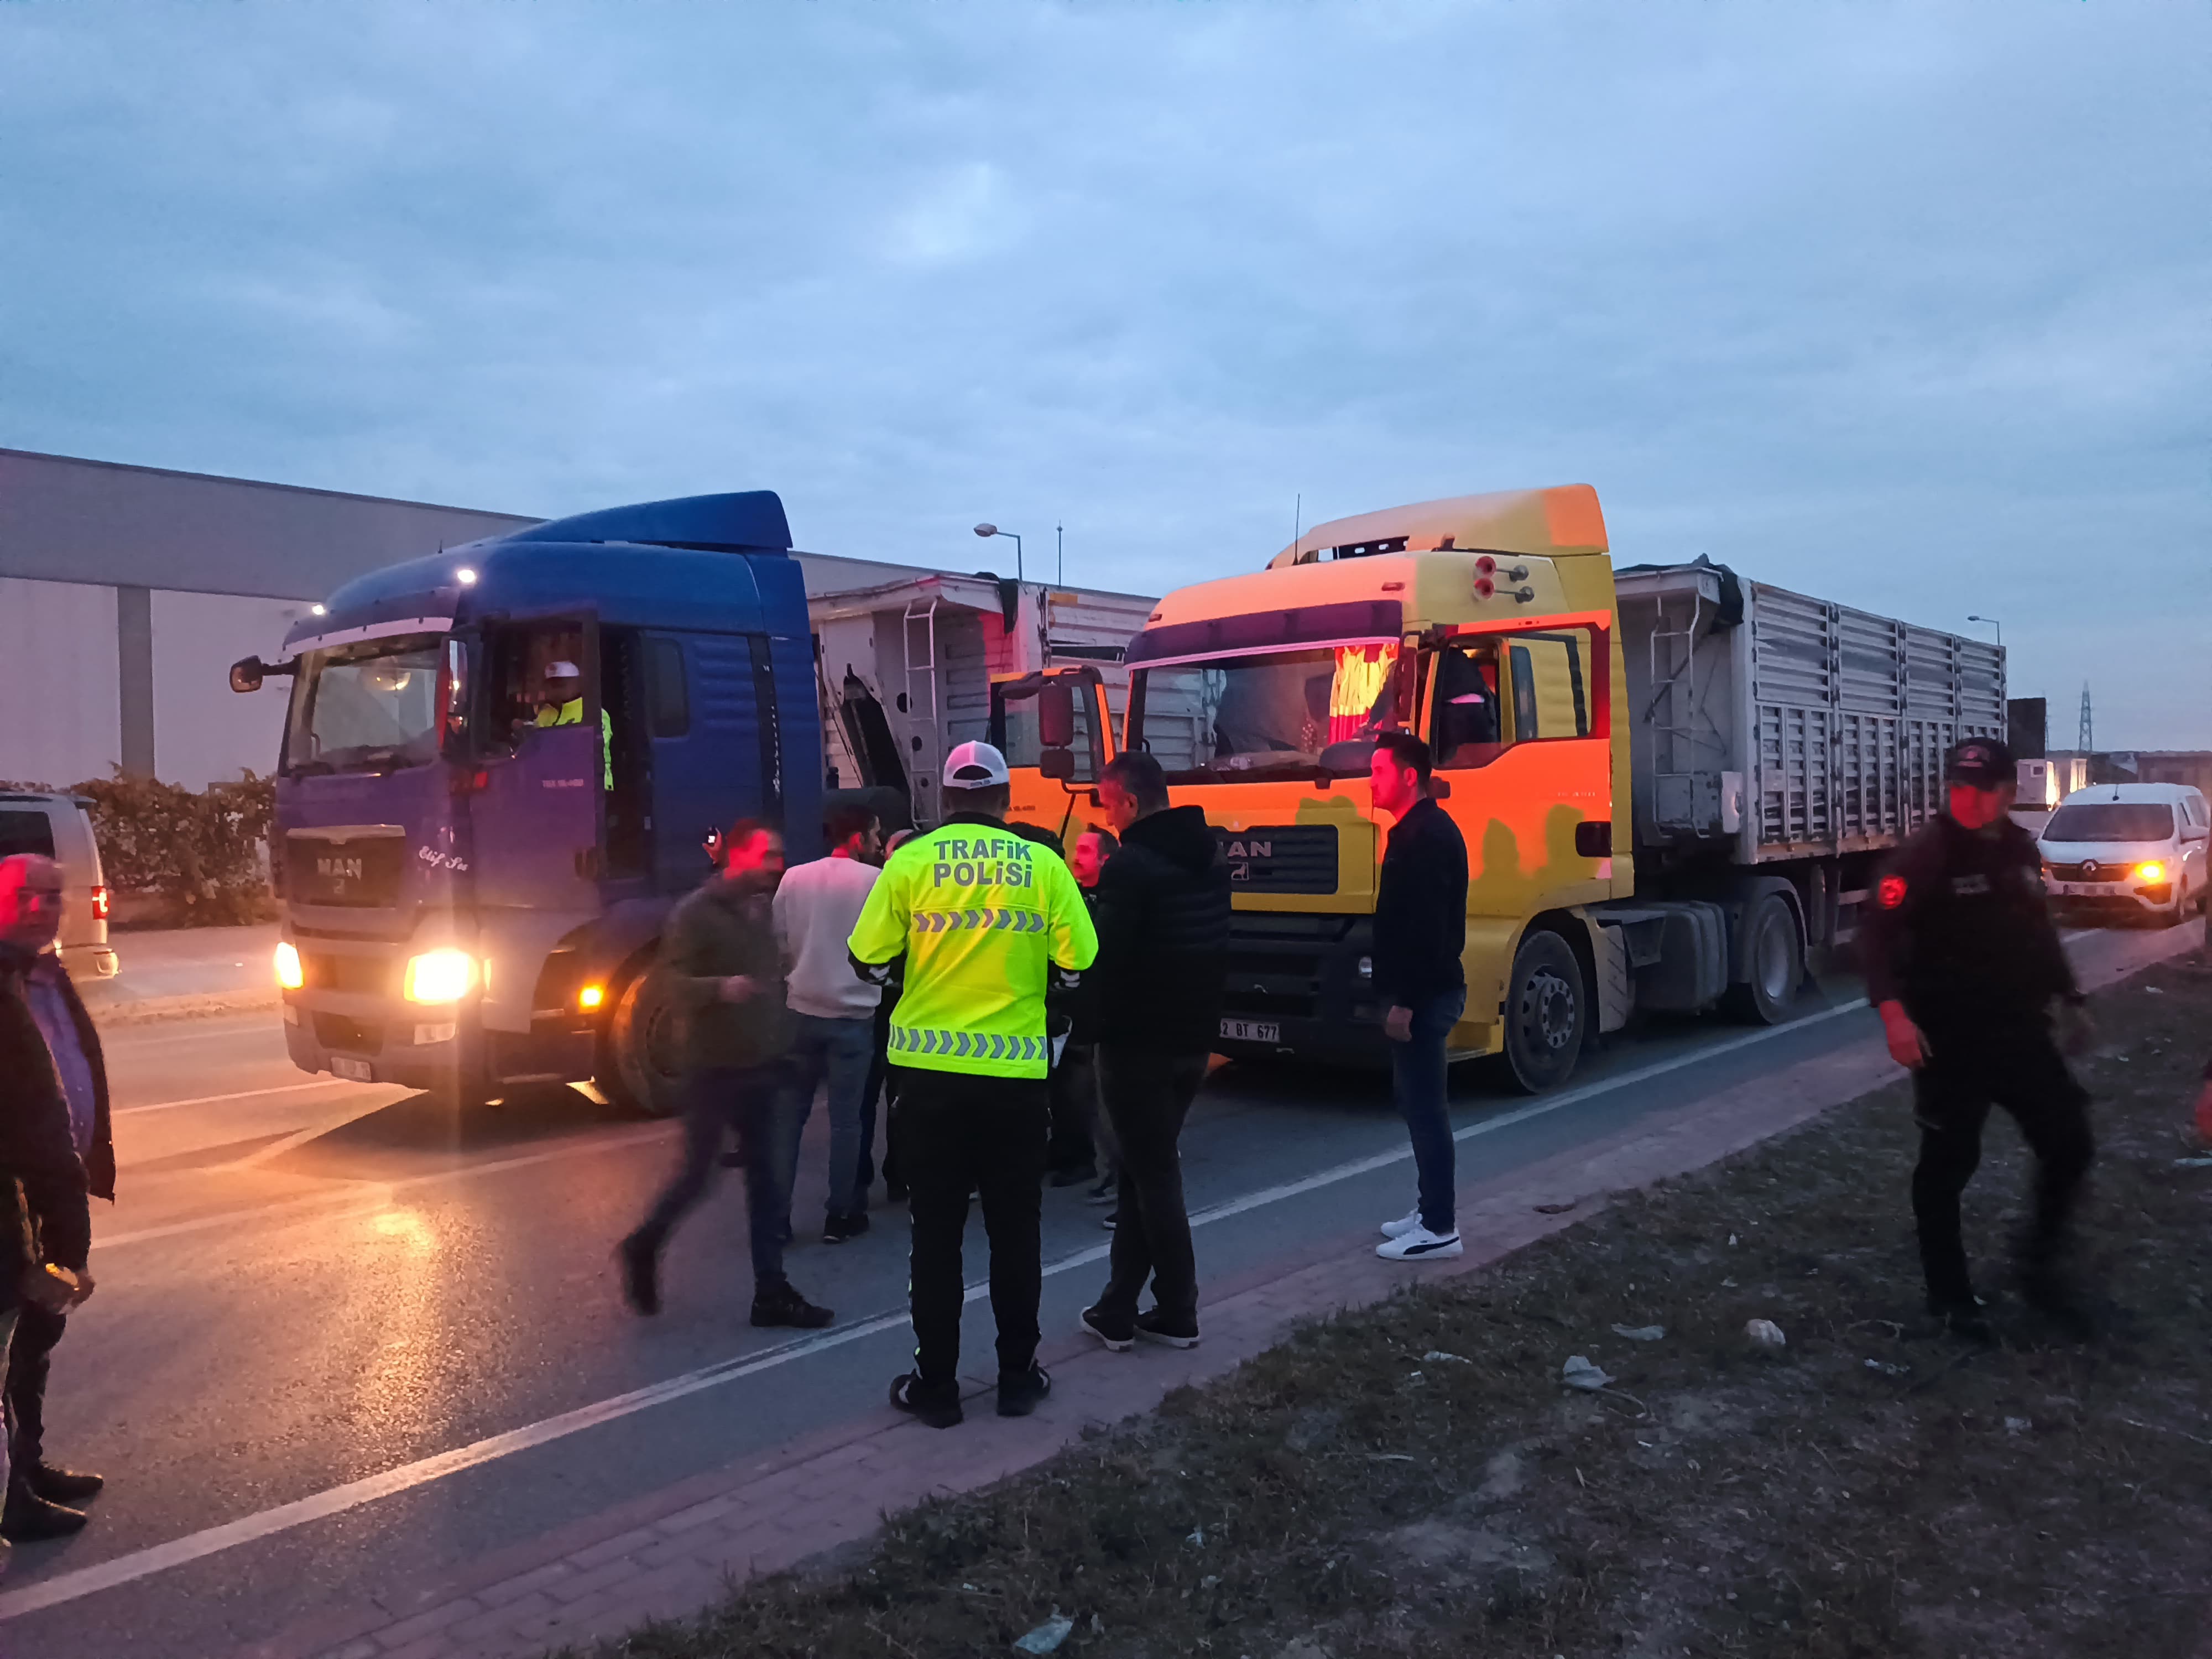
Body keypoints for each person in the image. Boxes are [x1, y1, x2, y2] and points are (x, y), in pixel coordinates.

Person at [848, 741, 1097, 1427]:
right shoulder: (1042, 865)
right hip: (1015, 1083)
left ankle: (936, 1387)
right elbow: (1080, 964)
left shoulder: (910, 863)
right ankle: (1017, 1378)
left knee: (935, 1237)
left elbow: (866, 961)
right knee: (1016, 1233)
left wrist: (915, 976)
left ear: (946, 798)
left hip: (927, 1082)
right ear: (1004, 799)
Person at [1861, 736, 2096, 1340]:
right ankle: (1950, 1299)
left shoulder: (2019, 849)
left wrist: (2070, 998)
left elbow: (2038, 931)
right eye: (1958, 787)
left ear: (2008, 793)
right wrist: (1894, 1016)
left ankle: (2038, 1270)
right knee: (1948, 1164)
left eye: (1981, 789)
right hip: (1948, 1039)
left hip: (2018, 1030)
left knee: (2069, 1141)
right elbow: (1877, 938)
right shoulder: (1927, 852)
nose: (1966, 799)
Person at [618, 821, 831, 1329]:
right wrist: (719, 988)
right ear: (736, 856)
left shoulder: (761, 908)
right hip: (714, 1070)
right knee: (698, 1176)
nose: (776, 865)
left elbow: (772, 978)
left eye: (778, 855)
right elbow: (668, 984)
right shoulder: (695, 914)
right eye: (767, 855)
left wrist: (787, 1036)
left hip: (765, 1066)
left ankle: (771, 1293)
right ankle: (644, 1243)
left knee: (768, 1181)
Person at [1078, 757, 1227, 1351]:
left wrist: (1082, 1023)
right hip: (1193, 1037)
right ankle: (1117, 1307)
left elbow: (1106, 959)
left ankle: (1177, 1309)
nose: (1105, 817)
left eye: (1107, 804)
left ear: (1131, 803)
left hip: (1137, 1043)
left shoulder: (1130, 867)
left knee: (1154, 1176)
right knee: (1141, 1172)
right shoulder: (1211, 855)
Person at [0, 855, 107, 1543]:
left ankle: (26, 1468)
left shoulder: (47, 974)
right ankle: (12, 1497)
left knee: (35, 1344)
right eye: (24, 895)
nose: (41, 907)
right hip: (24, 1206)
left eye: (52, 895)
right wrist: (69, 1245)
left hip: (49, 1194)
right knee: (14, 1348)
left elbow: (74, 1070)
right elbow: (34, 1118)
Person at [1368, 732, 1469, 1263]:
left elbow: (1428, 932)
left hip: (1425, 996)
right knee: (1417, 1105)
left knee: (1427, 1110)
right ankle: (1430, 1208)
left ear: (1410, 777)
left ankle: (1439, 1227)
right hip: (1420, 992)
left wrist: (1404, 1001)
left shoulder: (1426, 837)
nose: (1370, 781)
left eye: (1379, 771)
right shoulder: (1414, 831)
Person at [775, 803, 885, 1244]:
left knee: (789, 1121)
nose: (880, 843)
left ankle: (777, 1220)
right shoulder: (877, 882)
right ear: (858, 838)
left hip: (800, 1010)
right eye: (875, 835)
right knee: (847, 1121)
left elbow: (779, 940)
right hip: (854, 1018)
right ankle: (841, 1215)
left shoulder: (793, 878)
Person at [1050, 828, 1120, 1206]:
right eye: (1075, 849)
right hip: (1072, 1010)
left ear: (1106, 859)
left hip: (1098, 1014)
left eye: (1085, 851)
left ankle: (1103, 1167)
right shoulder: (1071, 896)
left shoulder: (1114, 900)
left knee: (1094, 1095)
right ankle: (1071, 1153)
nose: (1076, 857)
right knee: (1068, 1090)